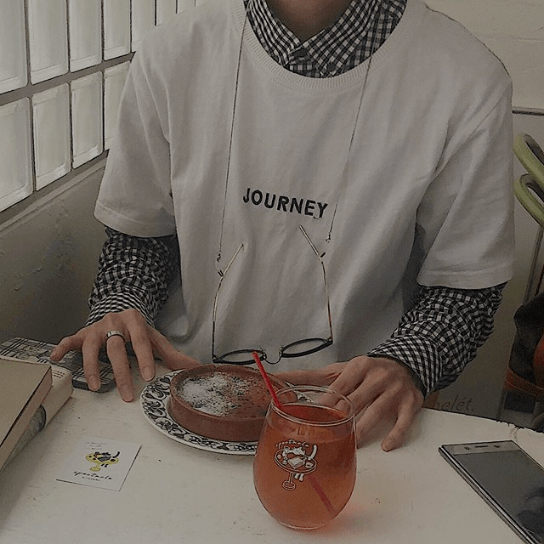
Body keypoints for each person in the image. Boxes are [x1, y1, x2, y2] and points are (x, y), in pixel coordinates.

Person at [51, 0, 515, 452]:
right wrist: (120, 303)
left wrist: (408, 361)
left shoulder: (465, 80)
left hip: (348, 411)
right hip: (174, 390)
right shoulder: (173, 53)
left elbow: (464, 288)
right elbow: (141, 238)